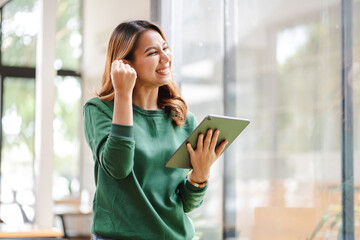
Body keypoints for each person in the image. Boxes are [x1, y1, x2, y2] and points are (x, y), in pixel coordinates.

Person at [83, 20, 228, 240]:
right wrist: (123, 94)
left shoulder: (182, 119)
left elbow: (186, 204)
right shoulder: (99, 110)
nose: (165, 57)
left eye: (166, 48)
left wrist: (200, 174)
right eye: (152, 53)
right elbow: (118, 166)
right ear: (125, 65)